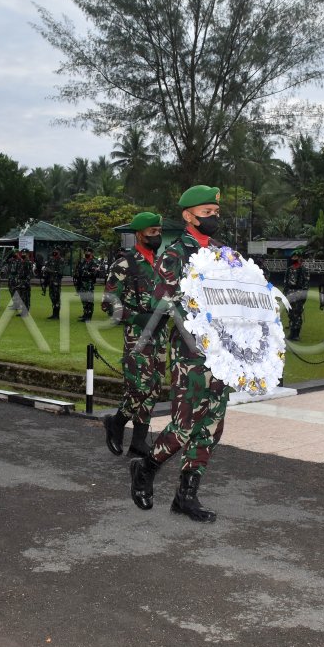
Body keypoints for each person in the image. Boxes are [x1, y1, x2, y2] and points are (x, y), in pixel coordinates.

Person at [129, 185, 232, 523]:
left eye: (215, 213)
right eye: (207, 213)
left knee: (211, 426)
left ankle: (186, 496)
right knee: (184, 426)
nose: (213, 218)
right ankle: (146, 467)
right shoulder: (174, 254)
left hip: (221, 353)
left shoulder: (223, 251)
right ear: (189, 216)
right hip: (191, 351)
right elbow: (164, 297)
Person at [101, 213, 165, 458]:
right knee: (138, 387)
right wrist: (135, 317)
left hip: (158, 333)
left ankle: (138, 441)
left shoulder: (160, 264)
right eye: (151, 232)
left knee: (154, 388)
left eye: (158, 231)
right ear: (139, 234)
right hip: (137, 333)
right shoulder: (125, 264)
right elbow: (108, 303)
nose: (157, 236)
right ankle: (116, 422)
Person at [283, 250, 310, 341]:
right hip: (289, 293)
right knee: (290, 314)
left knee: (297, 314)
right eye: (293, 257)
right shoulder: (289, 269)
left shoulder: (303, 269)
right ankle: (292, 332)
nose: (293, 258)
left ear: (299, 258)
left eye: (295, 257)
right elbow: (286, 283)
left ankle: (296, 334)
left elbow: (306, 284)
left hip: (298, 293)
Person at [73, 249, 99, 322]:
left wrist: (83, 273)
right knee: (84, 300)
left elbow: (93, 273)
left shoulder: (94, 262)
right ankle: (85, 314)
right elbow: (78, 271)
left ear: (92, 254)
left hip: (89, 284)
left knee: (89, 301)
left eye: (89, 253)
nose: (87, 254)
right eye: (86, 253)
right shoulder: (82, 262)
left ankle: (89, 316)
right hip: (82, 284)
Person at [43, 248, 65, 319]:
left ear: (59, 252)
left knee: (57, 298)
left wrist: (50, 271)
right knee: (52, 297)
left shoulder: (61, 260)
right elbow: (46, 267)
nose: (54, 253)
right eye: (54, 251)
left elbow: (60, 272)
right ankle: (54, 314)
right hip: (51, 281)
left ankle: (57, 314)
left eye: (56, 251)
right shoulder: (51, 260)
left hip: (56, 282)